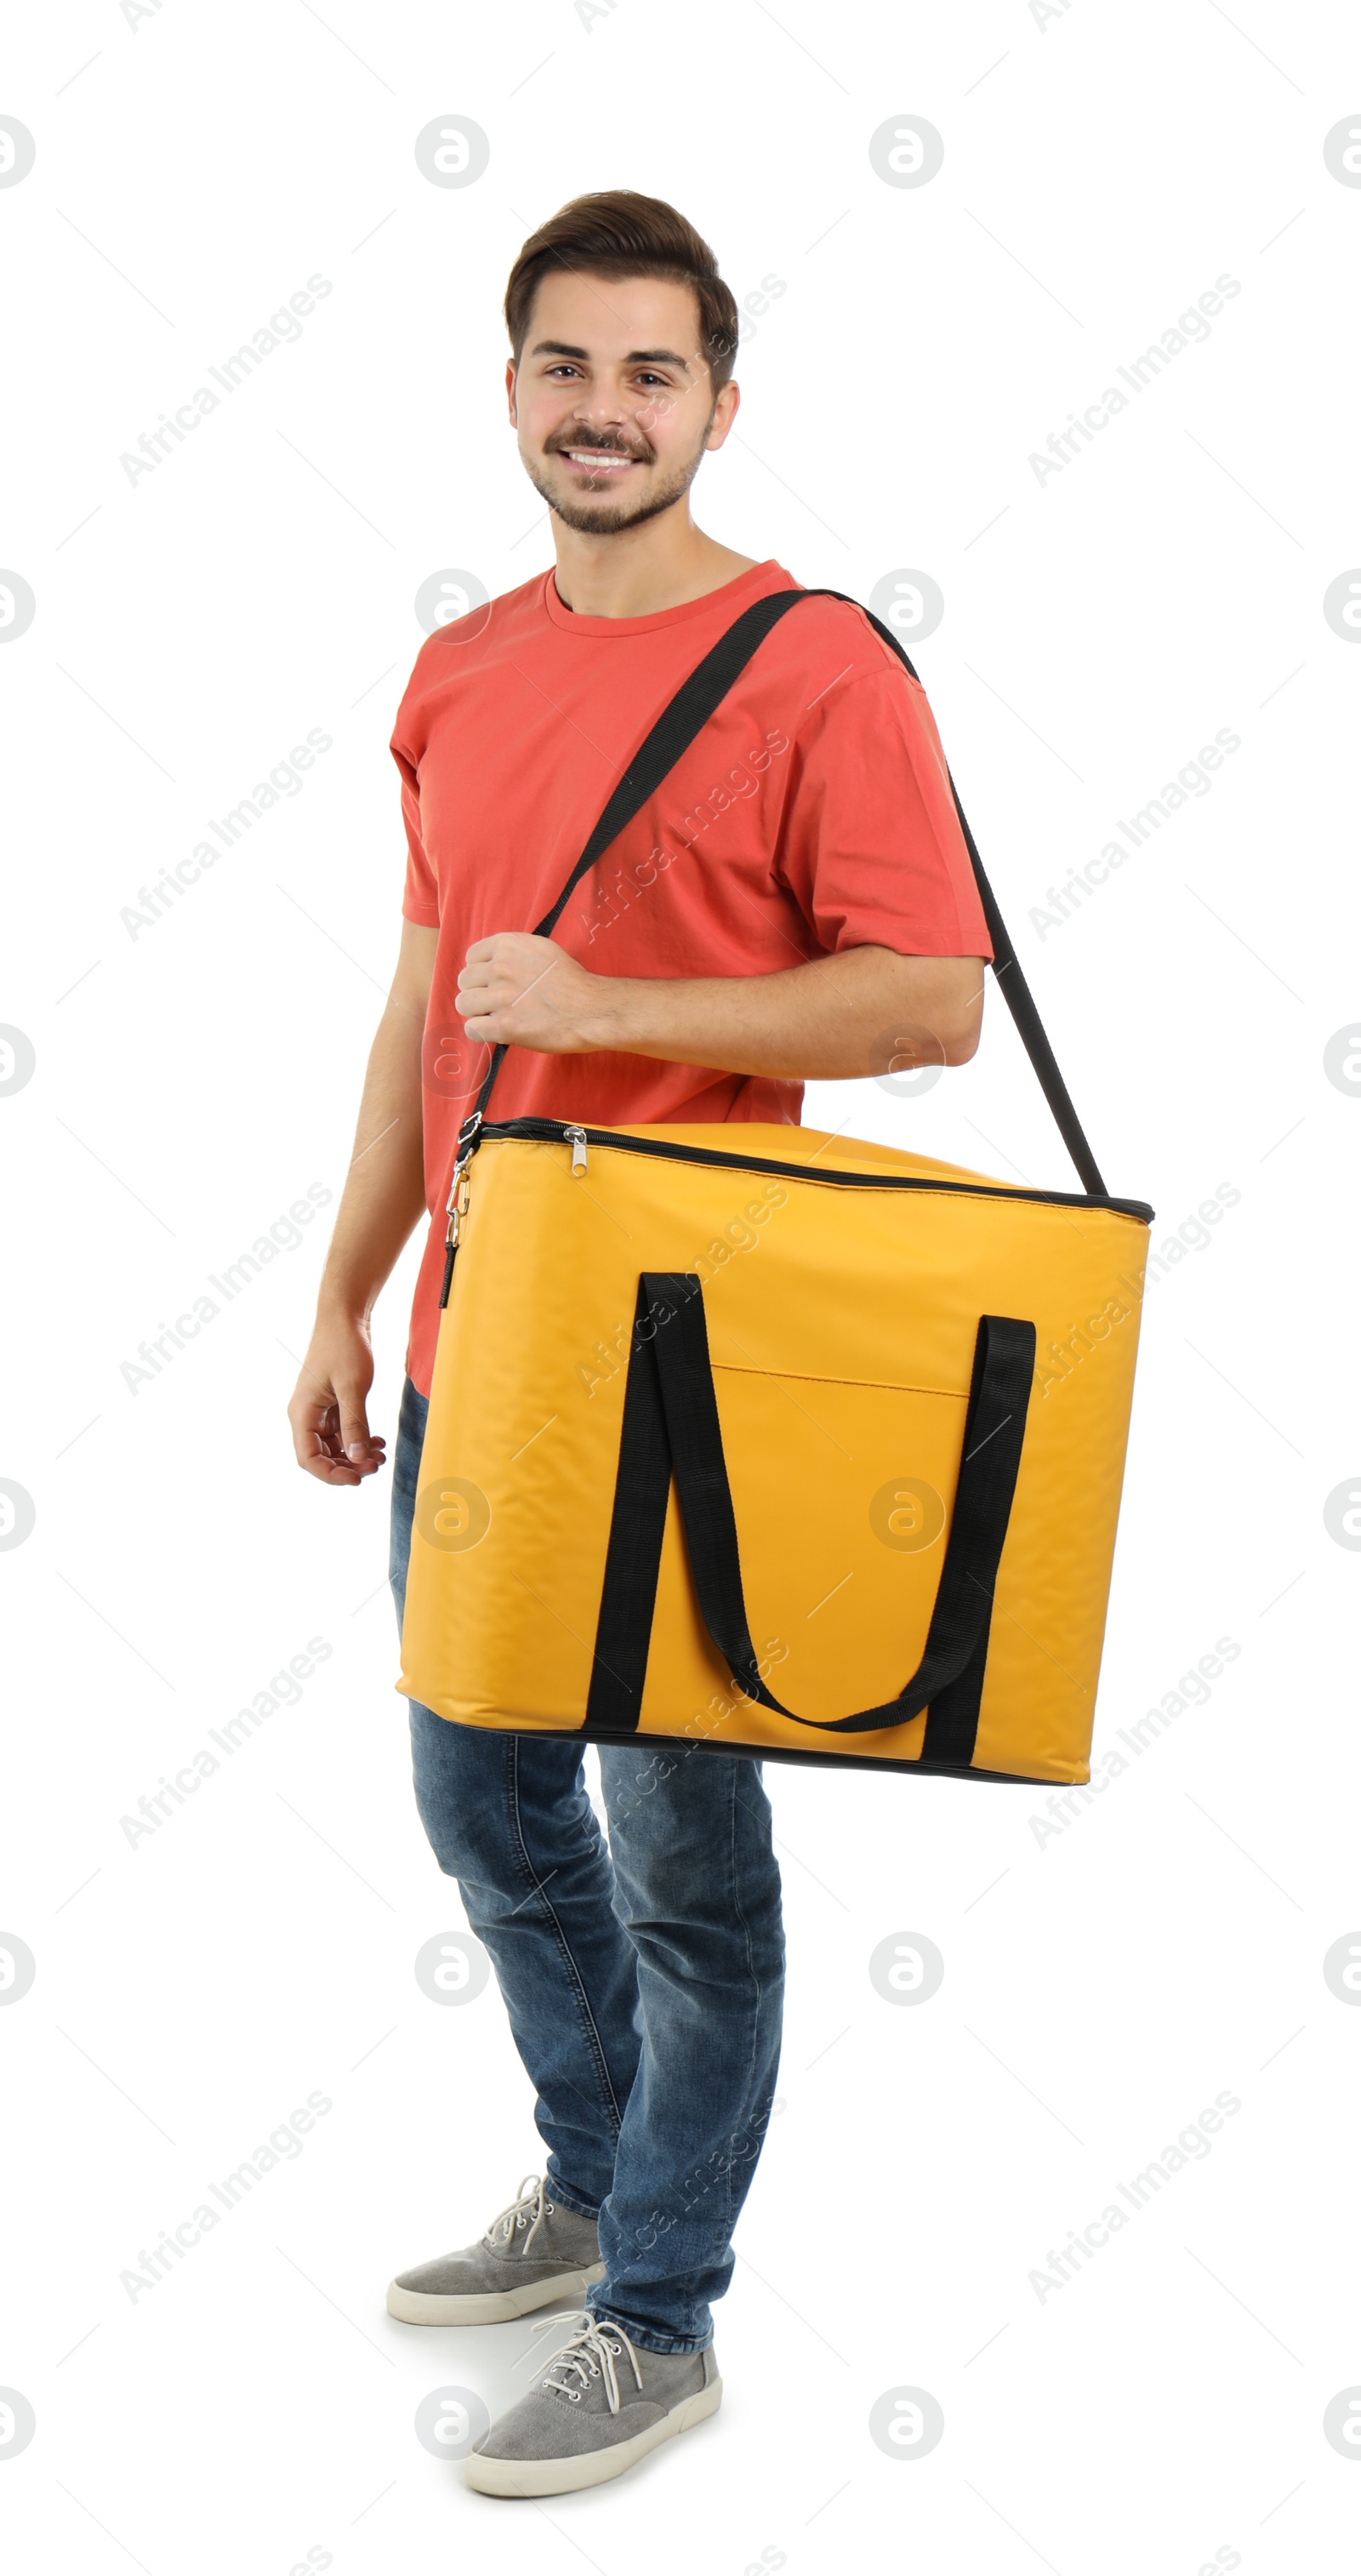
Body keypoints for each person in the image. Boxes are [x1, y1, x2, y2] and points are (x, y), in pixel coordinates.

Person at [288, 189, 991, 2499]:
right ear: (511, 393)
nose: (606, 412)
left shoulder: (815, 670)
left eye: (651, 374)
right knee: (475, 1800)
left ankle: (659, 2306)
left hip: (700, 1355)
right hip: (482, 1336)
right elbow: (421, 1003)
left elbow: (929, 1000)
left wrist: (611, 1008)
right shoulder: (461, 669)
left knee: (681, 1849)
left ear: (720, 402)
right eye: (566, 370)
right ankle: (594, 2169)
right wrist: (341, 1292)